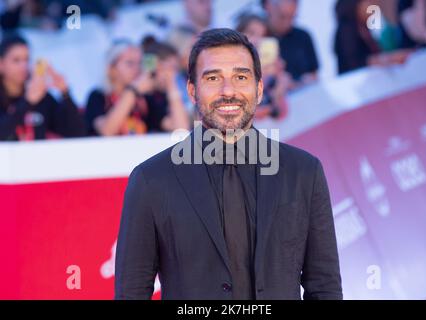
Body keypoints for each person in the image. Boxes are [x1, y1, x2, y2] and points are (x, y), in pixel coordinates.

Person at [115, 28, 342, 300]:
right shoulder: (151, 180)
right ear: (192, 90)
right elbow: (132, 292)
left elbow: (324, 286)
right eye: (213, 78)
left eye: (241, 77)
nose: (228, 91)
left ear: (259, 89)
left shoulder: (304, 172)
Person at [85, 39, 189, 136]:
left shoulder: (146, 100)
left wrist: (171, 84)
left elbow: (181, 130)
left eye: (139, 63)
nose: (137, 69)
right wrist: (132, 91)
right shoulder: (98, 96)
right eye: (130, 63)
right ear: (111, 69)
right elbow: (107, 131)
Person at [0, 33, 85, 141]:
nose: (24, 66)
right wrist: (27, 103)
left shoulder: (42, 97)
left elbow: (77, 133)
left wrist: (65, 93)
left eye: (26, 59)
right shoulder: (33, 97)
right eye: (16, 60)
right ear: (1, 64)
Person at [334, 0, 412, 74]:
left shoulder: (365, 29)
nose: (375, 7)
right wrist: (389, 59)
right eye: (370, 2)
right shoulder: (346, 29)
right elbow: (354, 62)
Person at [236, 13, 290, 120]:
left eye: (263, 35)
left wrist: (278, 92)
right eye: (251, 33)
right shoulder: (229, 68)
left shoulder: (275, 65)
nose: (257, 41)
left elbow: (281, 114)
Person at [261, 0, 319, 89]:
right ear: (268, 6)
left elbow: (314, 75)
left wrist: (300, 83)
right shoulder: (258, 38)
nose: (287, 23)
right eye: (282, 17)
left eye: (292, 17)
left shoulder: (303, 37)